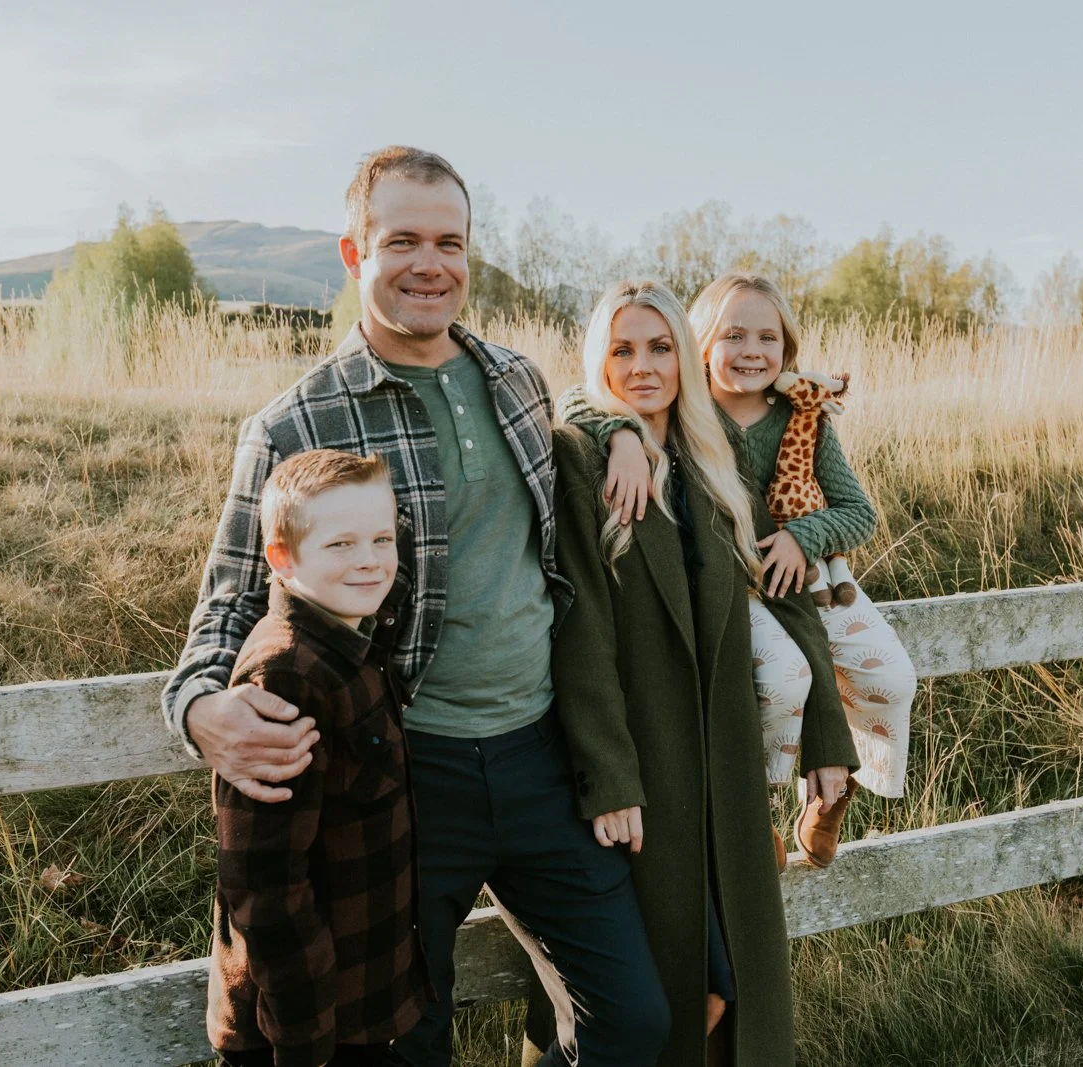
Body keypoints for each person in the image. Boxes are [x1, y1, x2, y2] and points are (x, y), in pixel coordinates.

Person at [165, 146, 668, 1067]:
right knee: (405, 1041)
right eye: (402, 241)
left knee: (632, 1022)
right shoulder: (293, 424)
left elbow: (591, 424)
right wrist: (201, 711)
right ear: (355, 254)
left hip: (542, 756)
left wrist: (628, 429)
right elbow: (225, 609)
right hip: (399, 773)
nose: (430, 264)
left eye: (450, 242)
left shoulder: (518, 380)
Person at [547, 280, 859, 1066]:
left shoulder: (710, 460)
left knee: (729, 1001)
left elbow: (784, 602)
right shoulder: (580, 455)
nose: (643, 366)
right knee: (657, 1000)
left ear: (686, 357)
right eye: (622, 349)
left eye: (659, 348)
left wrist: (825, 726)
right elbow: (577, 633)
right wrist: (610, 775)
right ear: (599, 360)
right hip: (641, 769)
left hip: (724, 765)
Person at [561, 273, 919, 868]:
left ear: (787, 349)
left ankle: (834, 794)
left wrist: (804, 537)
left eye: (767, 337)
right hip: (740, 587)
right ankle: (761, 813)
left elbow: (860, 512)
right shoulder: (690, 414)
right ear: (699, 344)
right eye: (733, 335)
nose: (751, 350)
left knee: (894, 680)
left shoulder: (804, 420)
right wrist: (620, 432)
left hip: (814, 581)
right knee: (779, 680)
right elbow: (583, 394)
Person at [208, 449, 430, 1067]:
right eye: (341, 544)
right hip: (305, 1030)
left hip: (360, 1006)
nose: (370, 559)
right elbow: (265, 883)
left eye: (382, 538)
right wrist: (305, 1041)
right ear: (281, 558)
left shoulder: (357, 641)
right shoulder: (287, 676)